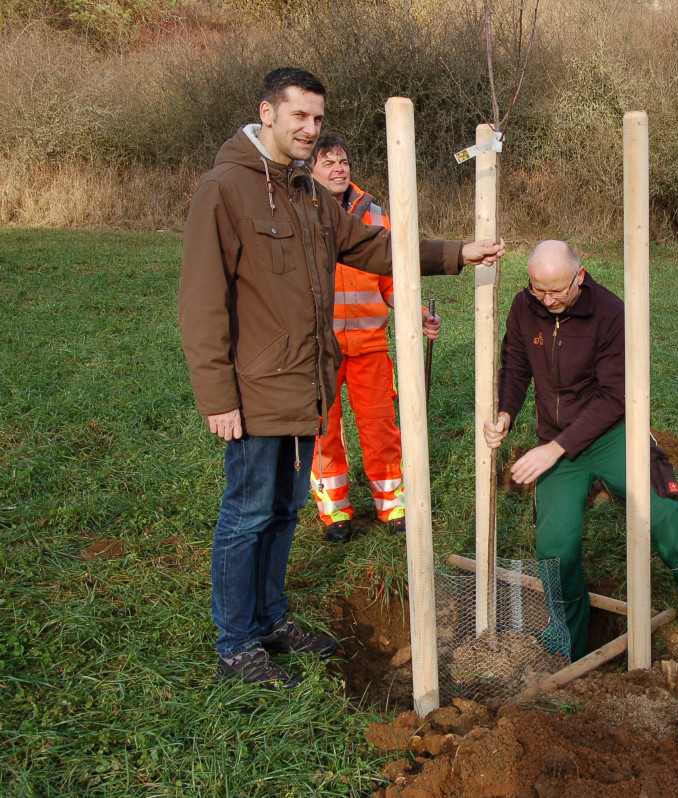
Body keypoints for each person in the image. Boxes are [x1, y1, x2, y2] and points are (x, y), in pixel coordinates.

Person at [178, 67, 504, 688]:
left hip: (308, 385)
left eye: (318, 119)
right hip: (253, 392)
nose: (309, 129)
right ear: (267, 112)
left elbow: (375, 247)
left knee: (283, 510)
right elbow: (201, 300)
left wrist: (456, 254)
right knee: (246, 515)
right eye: (298, 116)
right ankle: (235, 644)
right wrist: (217, 395)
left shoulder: (310, 193)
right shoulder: (225, 189)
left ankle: (270, 620)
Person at [483, 240, 678, 662]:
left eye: (557, 291)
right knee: (554, 546)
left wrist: (556, 449)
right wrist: (507, 412)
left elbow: (615, 396)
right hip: (556, 443)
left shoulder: (611, 313)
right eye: (538, 290)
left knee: (662, 512)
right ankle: (571, 643)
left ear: (579, 276)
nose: (547, 300)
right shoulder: (524, 307)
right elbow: (515, 364)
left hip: (612, 433)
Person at [307, 132, 442, 542]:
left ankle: (391, 505)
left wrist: (415, 313)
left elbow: (390, 279)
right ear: (309, 169)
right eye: (328, 162)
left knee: (381, 426)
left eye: (343, 161)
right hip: (319, 349)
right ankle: (335, 513)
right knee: (323, 430)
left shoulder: (375, 214)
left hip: (370, 345)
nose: (338, 169)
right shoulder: (300, 213)